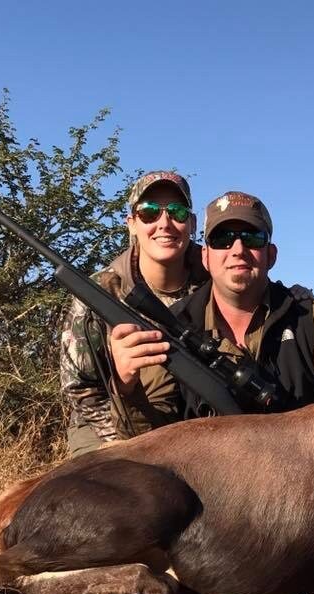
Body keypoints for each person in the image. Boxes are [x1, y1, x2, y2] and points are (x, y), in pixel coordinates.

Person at [109, 190, 314, 436]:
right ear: (206, 256)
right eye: (222, 239)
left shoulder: (313, 319)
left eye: (252, 238)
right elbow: (143, 438)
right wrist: (127, 387)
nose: (237, 249)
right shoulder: (173, 326)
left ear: (271, 255)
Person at [60, 170, 208, 456]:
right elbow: (80, 388)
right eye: (149, 212)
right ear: (132, 224)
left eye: (176, 212)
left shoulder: (215, 278)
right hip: (109, 423)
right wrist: (130, 438)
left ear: (191, 223)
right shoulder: (99, 292)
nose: (164, 223)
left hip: (196, 423)